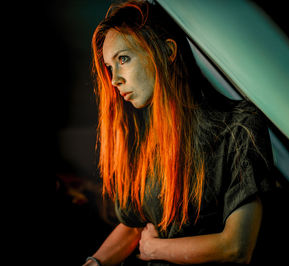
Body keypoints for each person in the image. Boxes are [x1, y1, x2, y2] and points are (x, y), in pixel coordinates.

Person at [84, 0, 276, 265]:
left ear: (167, 50)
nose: (115, 79)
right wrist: (94, 262)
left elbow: (237, 247)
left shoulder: (239, 125)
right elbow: (134, 225)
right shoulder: (139, 138)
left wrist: (155, 250)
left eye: (123, 59)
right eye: (109, 66)